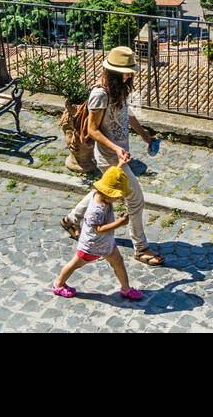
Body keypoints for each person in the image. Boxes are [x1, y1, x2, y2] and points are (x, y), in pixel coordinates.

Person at [60, 46, 166, 266]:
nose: (131, 74)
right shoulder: (100, 94)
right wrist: (116, 149)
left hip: (118, 156)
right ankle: (140, 247)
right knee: (135, 198)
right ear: (116, 72)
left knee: (104, 190)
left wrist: (145, 136)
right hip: (109, 157)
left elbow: (128, 115)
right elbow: (93, 130)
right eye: (128, 70)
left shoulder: (120, 90)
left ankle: (72, 218)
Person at [51, 166, 143, 301]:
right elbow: (98, 229)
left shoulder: (101, 194)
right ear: (108, 193)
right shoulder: (96, 209)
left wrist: (121, 164)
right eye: (116, 196)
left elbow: (111, 177)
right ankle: (58, 285)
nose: (117, 199)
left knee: (118, 262)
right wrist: (119, 223)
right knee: (74, 264)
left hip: (106, 243)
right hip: (92, 246)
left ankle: (125, 288)